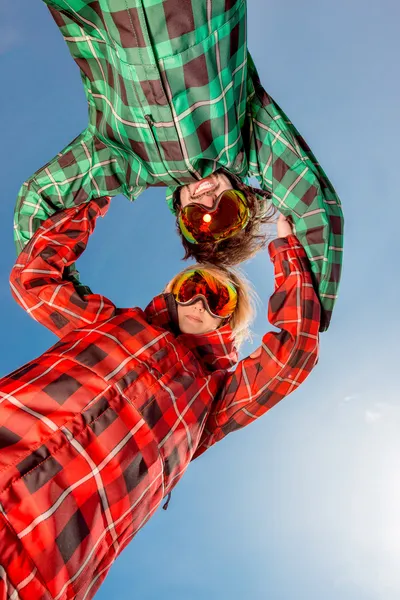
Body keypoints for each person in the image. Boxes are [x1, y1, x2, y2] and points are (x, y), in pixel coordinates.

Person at [0, 197, 319, 600]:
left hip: (37, 563)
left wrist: (288, 253)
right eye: (192, 286)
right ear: (173, 291)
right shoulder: (109, 323)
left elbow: (293, 354)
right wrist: (101, 190)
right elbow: (35, 277)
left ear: (229, 318)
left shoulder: (214, 399)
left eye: (217, 297)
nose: (199, 302)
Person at [14, 0, 343, 331]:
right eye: (226, 212)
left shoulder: (126, 162)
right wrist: (304, 318)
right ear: (243, 193)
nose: (207, 204)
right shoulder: (244, 136)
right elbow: (312, 203)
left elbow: (39, 202)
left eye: (198, 222)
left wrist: (111, 336)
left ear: (180, 216)